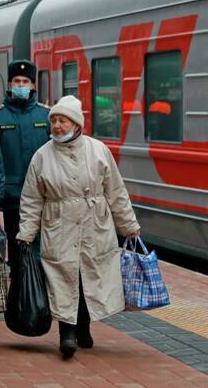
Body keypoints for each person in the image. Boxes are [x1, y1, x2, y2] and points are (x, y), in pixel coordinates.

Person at [17, 95, 140, 358]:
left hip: (94, 224)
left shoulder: (98, 150)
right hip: (59, 225)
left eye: (62, 120)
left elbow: (116, 191)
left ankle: (83, 327)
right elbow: (31, 199)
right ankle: (67, 334)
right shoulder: (42, 156)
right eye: (54, 120)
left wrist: (128, 224)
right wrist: (26, 233)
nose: (57, 126)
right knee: (63, 278)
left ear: (76, 123)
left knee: (88, 278)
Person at [0, 59, 50, 275]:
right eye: (17, 81)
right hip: (12, 199)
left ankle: (42, 304)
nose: (21, 85)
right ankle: (19, 305)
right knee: (17, 258)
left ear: (33, 85)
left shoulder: (46, 116)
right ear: (9, 84)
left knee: (45, 255)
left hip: (45, 197)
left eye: (25, 81)